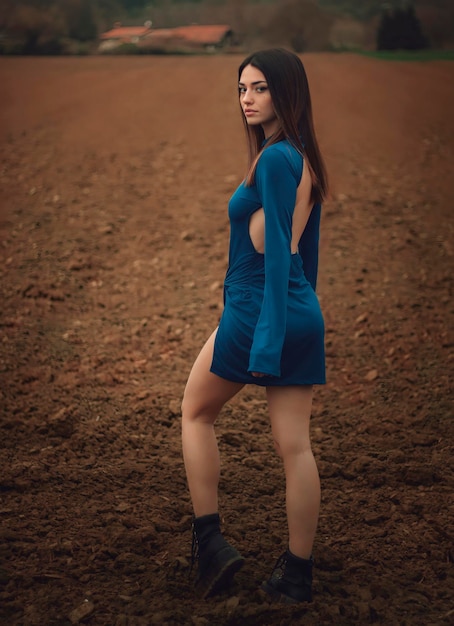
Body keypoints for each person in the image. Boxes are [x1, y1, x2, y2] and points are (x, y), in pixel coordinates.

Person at [181, 48, 328, 604]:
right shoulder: (304, 158)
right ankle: (297, 574)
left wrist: (266, 340)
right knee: (295, 447)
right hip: (299, 309)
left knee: (195, 413)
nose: (247, 98)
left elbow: (270, 255)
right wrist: (301, 315)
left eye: (260, 88)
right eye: (242, 88)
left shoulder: (271, 161)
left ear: (285, 93)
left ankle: (211, 544)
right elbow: (301, 253)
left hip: (256, 309)